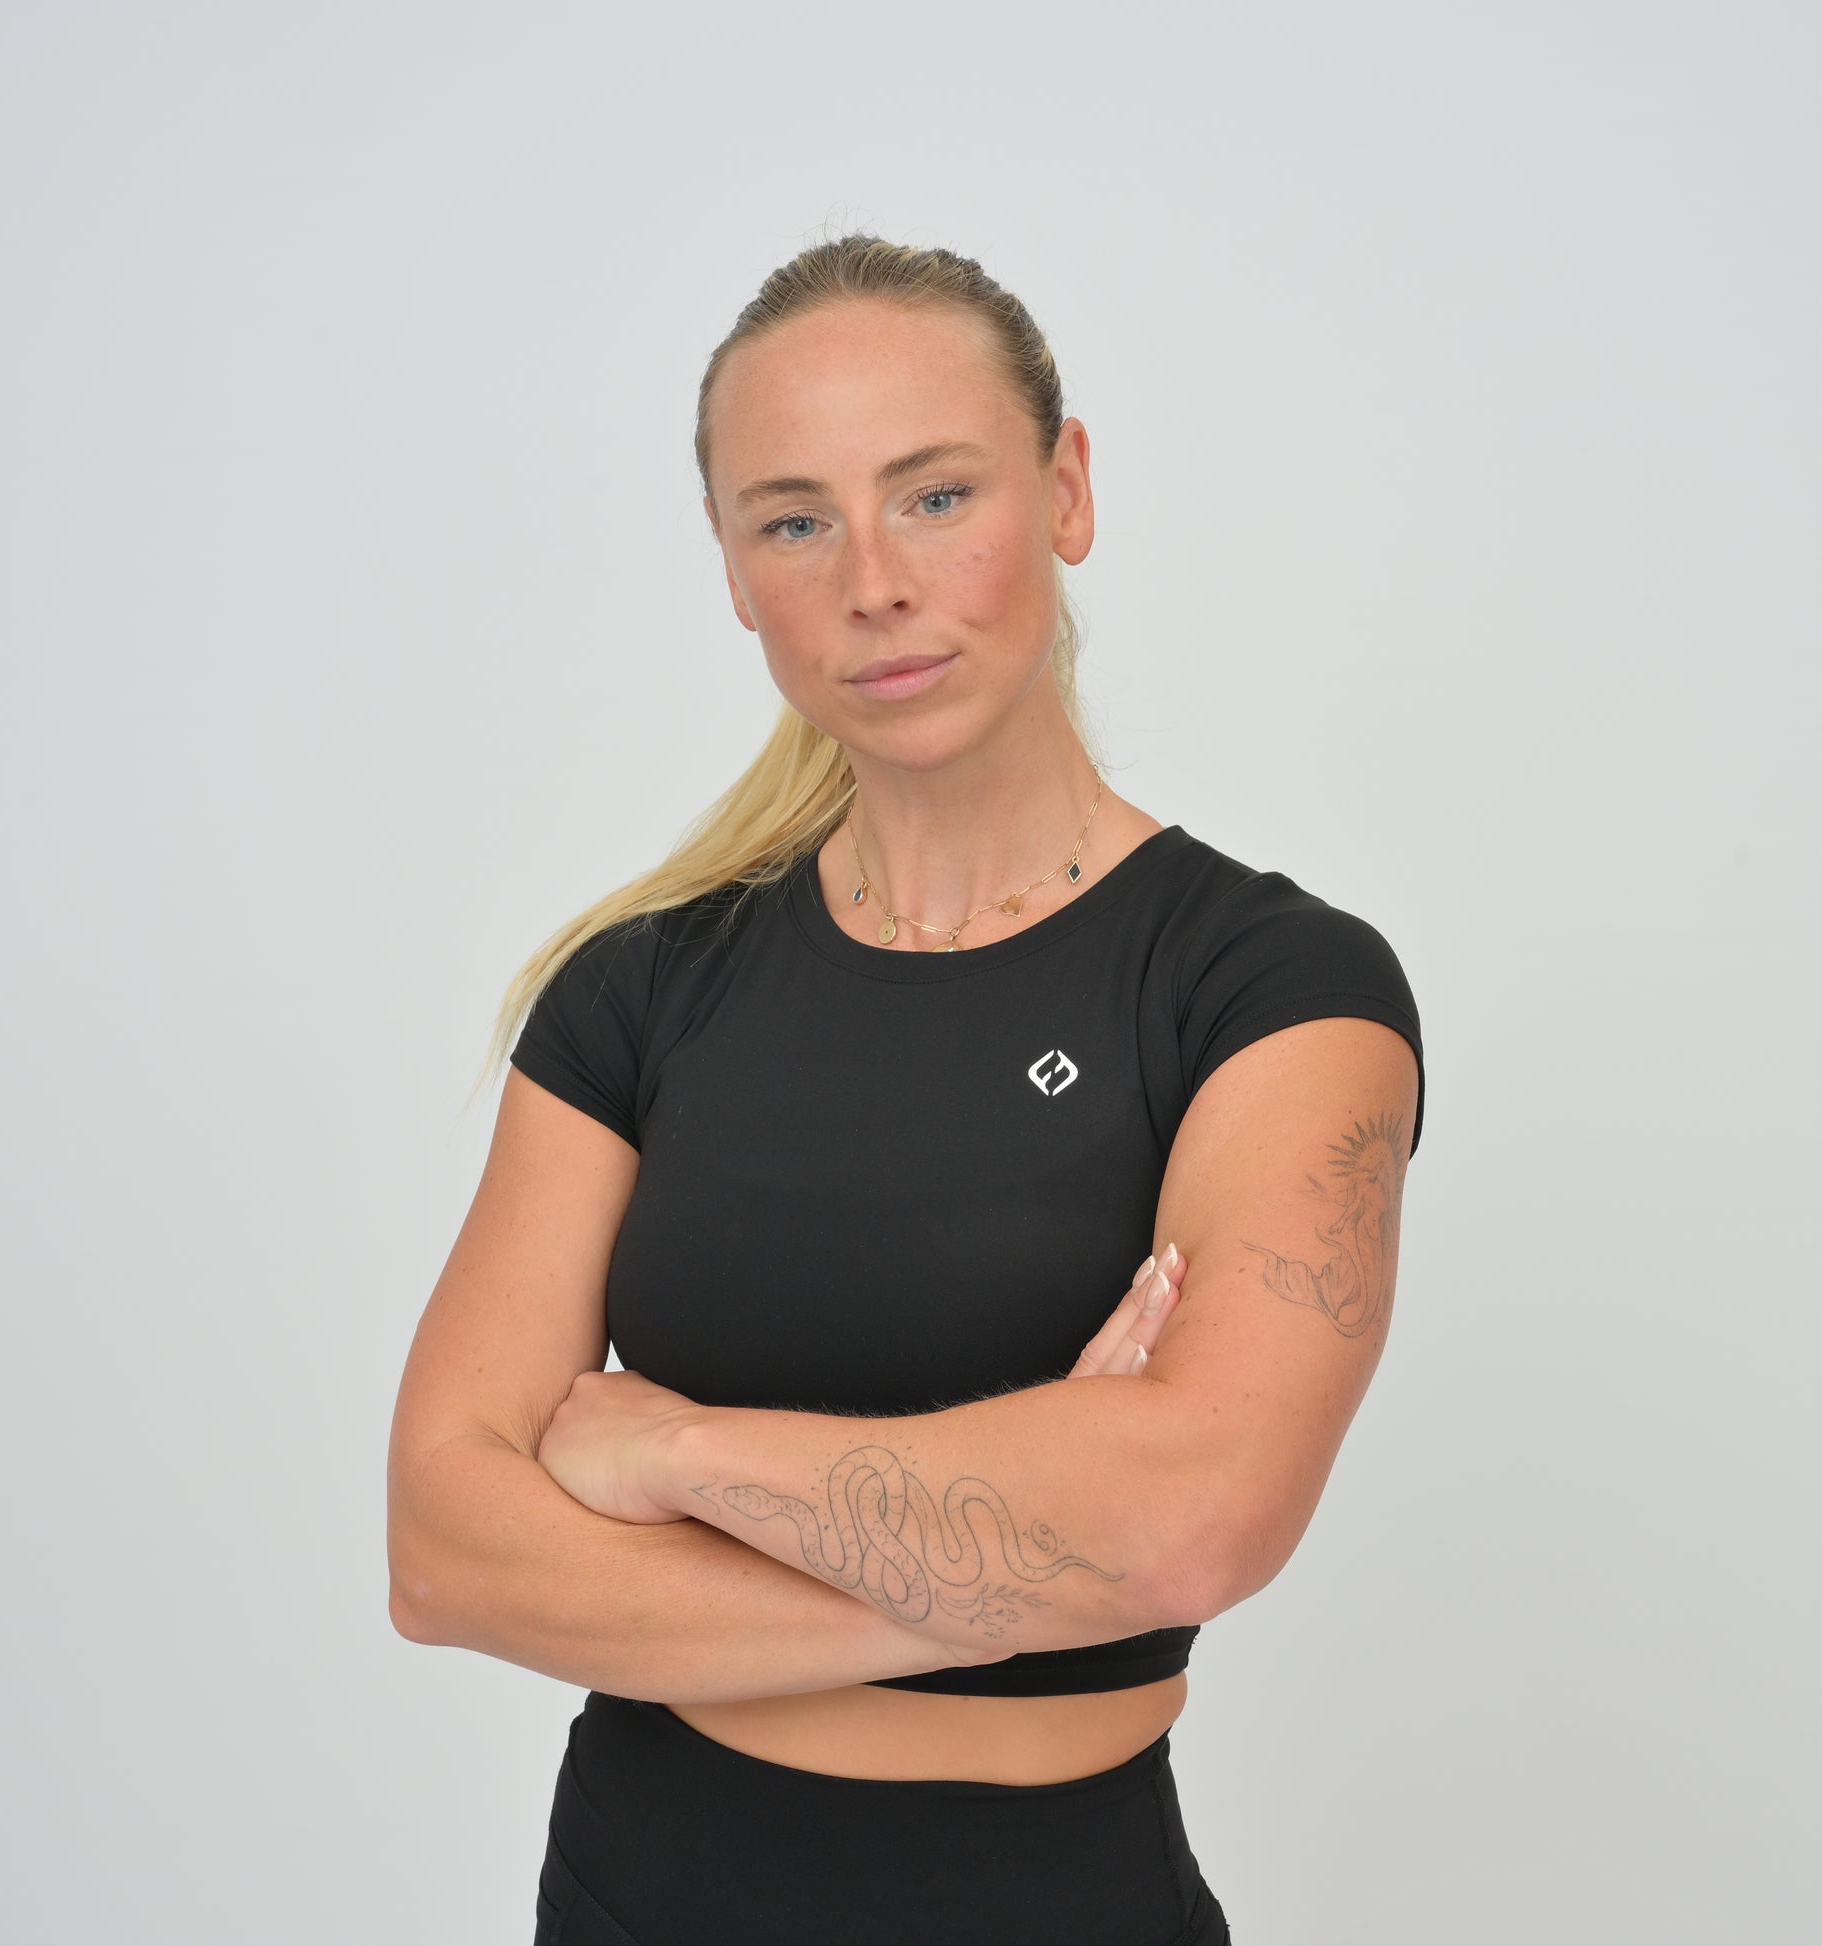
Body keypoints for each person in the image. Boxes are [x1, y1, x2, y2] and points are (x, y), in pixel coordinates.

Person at [387, 234, 1425, 1946]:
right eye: (793, 521)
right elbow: (447, 1550)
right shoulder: (637, 993)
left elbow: (1193, 1520)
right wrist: (1008, 1575)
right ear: (733, 570)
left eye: (935, 496)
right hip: (635, 1898)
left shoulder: (1269, 989)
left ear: (1065, 489)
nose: (871, 580)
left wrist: (672, 1448)